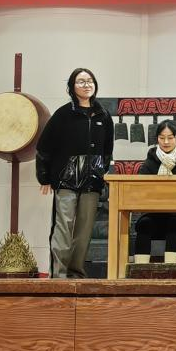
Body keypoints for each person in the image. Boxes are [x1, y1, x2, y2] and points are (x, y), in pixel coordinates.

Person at [36, 68, 113, 278]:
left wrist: (100, 170)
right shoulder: (63, 114)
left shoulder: (104, 115)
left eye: (90, 81)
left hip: (92, 182)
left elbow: (108, 150)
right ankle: (58, 275)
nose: (86, 85)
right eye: (81, 81)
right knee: (63, 227)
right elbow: (44, 146)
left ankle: (76, 273)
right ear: (72, 87)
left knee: (84, 230)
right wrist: (44, 177)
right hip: (65, 180)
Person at [133, 119, 176, 264]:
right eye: (162, 138)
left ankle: (170, 270)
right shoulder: (149, 163)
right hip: (154, 212)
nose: (166, 142)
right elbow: (140, 190)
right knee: (144, 224)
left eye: (170, 138)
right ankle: (140, 271)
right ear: (157, 139)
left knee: (174, 222)